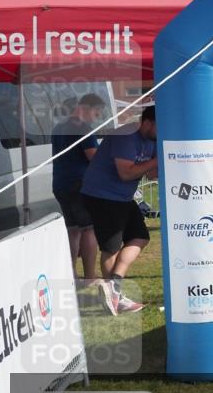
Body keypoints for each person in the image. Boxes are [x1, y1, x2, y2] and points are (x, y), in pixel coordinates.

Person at [80, 105, 157, 315]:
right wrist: (157, 160)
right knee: (111, 248)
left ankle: (113, 286)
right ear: (148, 122)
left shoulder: (151, 140)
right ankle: (114, 296)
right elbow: (126, 173)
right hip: (101, 196)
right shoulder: (125, 137)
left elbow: (152, 174)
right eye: (160, 127)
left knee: (140, 236)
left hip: (122, 197)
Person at [51, 93, 106, 283]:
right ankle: (90, 276)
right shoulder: (83, 128)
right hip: (80, 185)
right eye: (96, 113)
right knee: (89, 229)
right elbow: (94, 157)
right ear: (87, 108)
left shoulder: (59, 127)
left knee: (73, 230)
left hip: (60, 184)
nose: (96, 118)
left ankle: (71, 274)